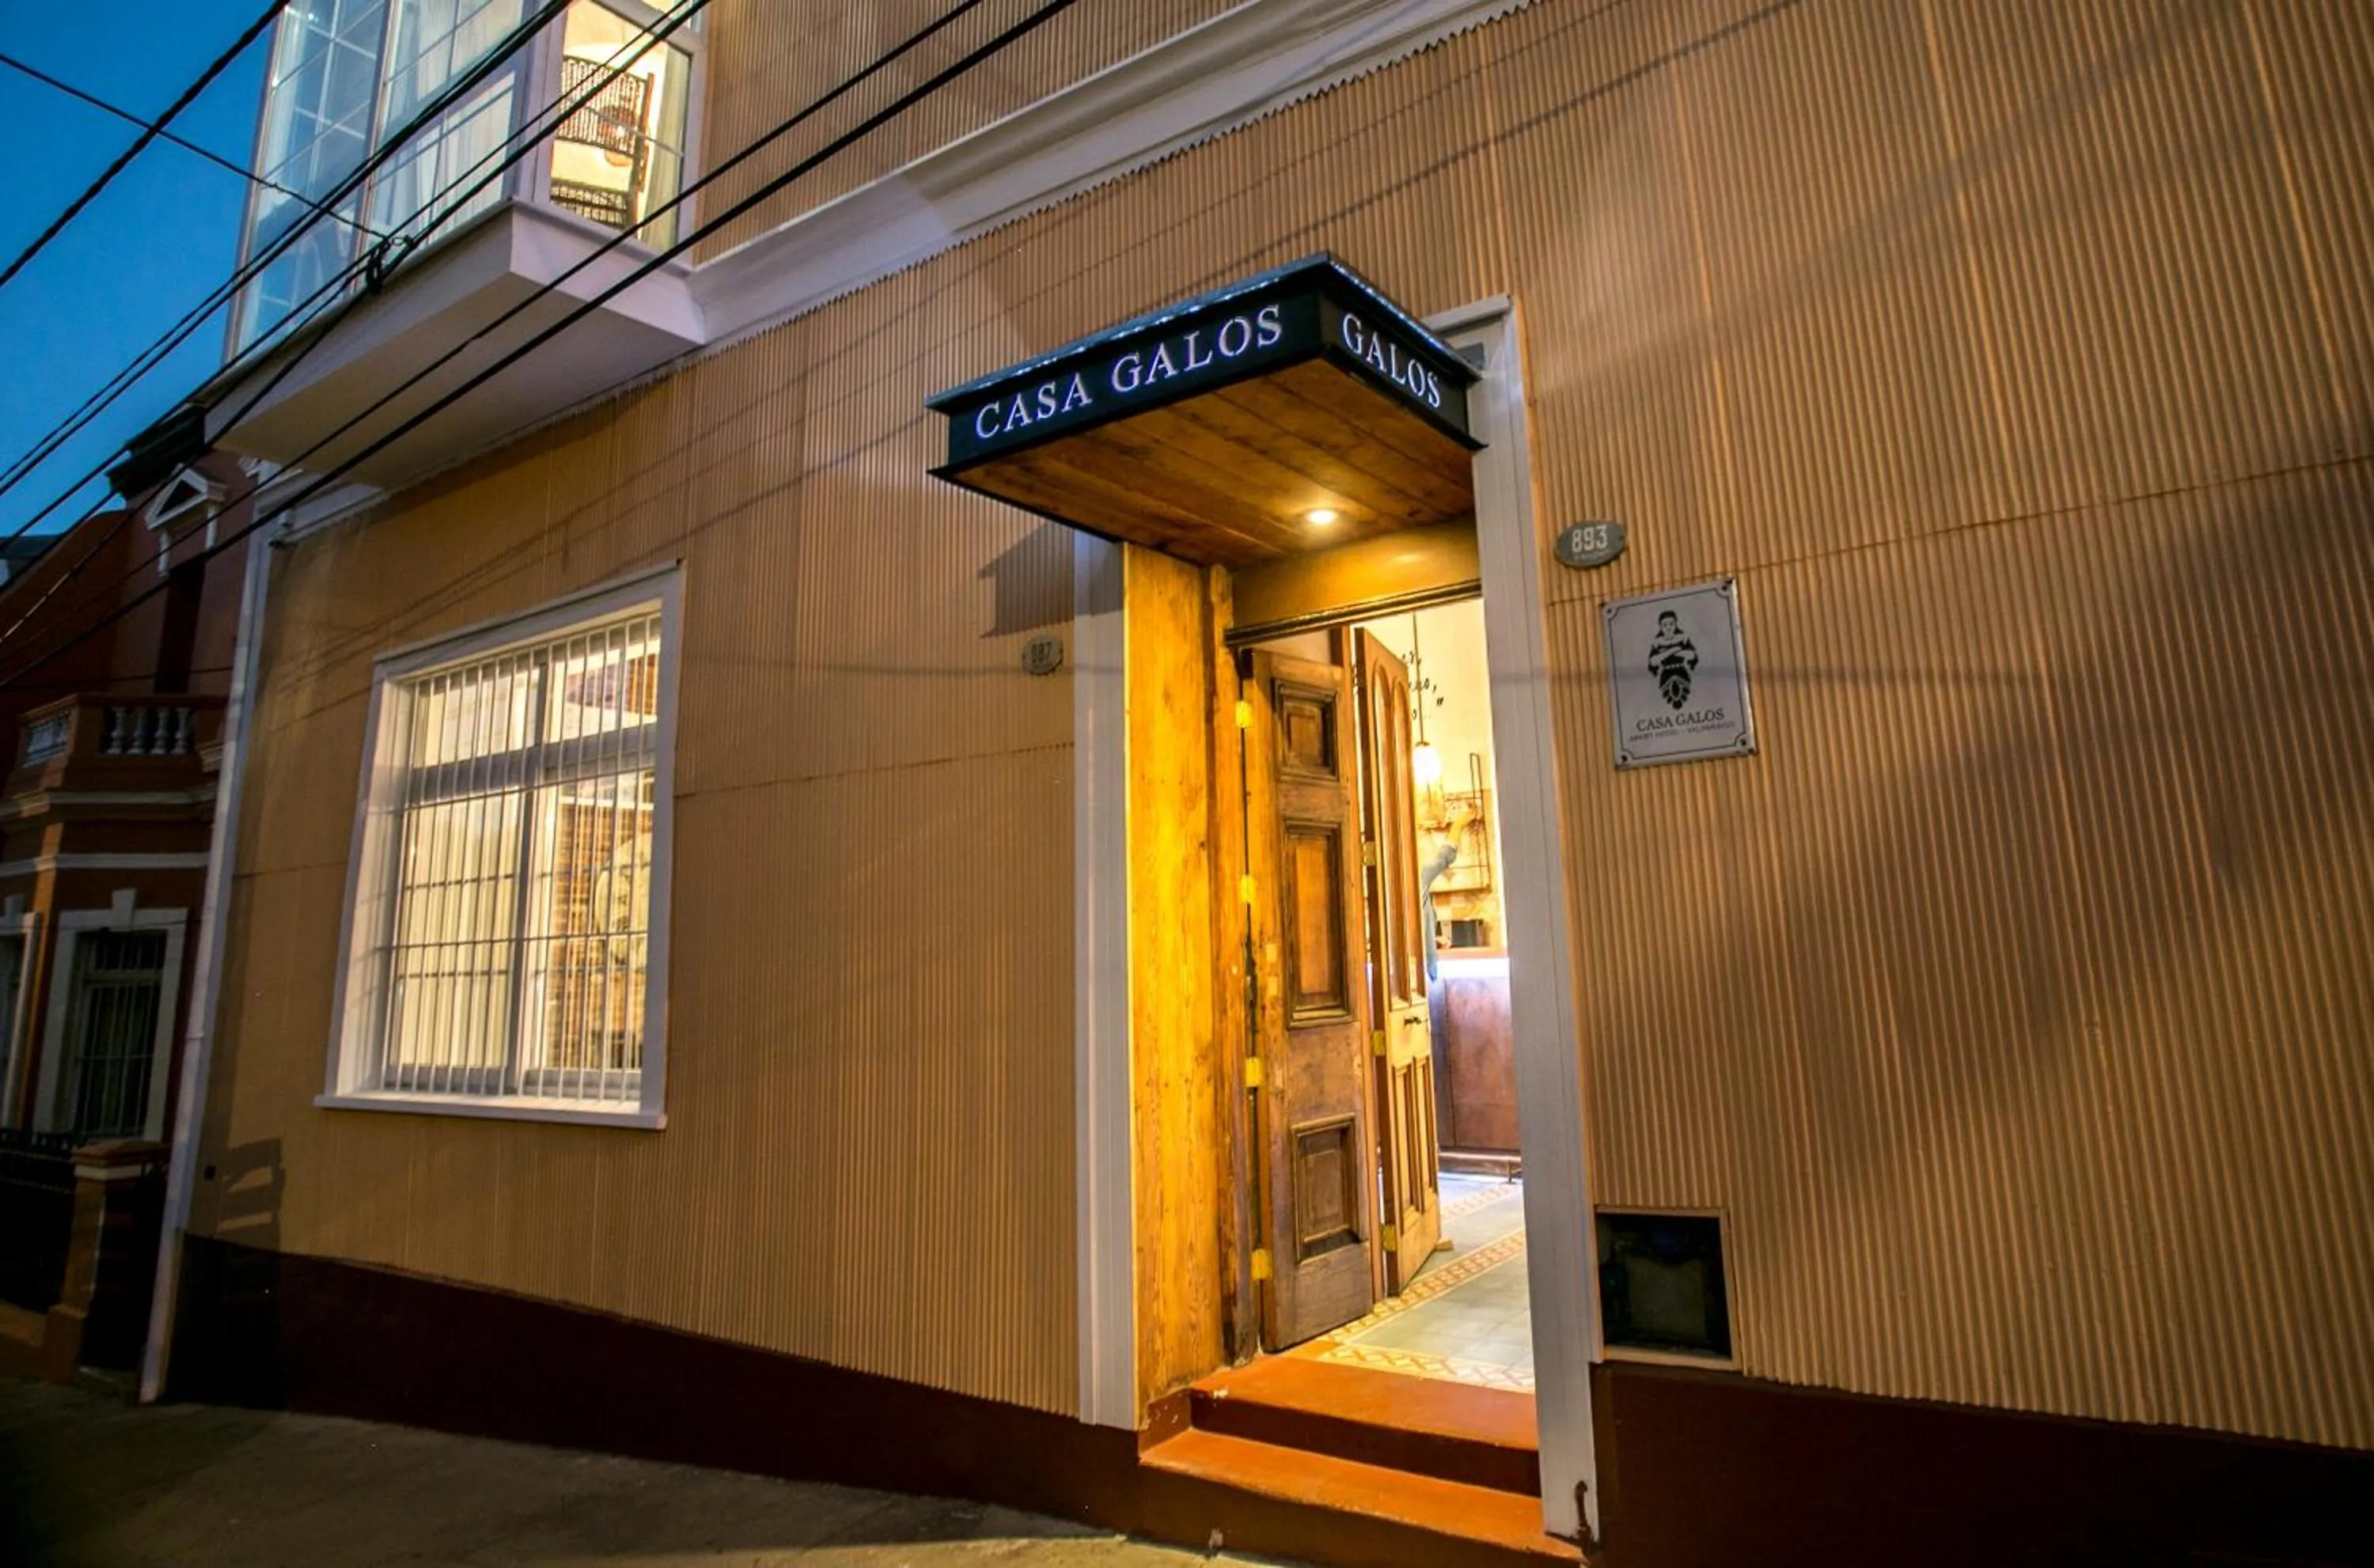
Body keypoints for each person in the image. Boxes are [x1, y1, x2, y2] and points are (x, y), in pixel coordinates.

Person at [1419, 800, 1477, 983]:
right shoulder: (1417, 879)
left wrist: (1431, 939)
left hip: (1417, 975)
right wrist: (1460, 822)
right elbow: (1446, 855)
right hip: (1424, 976)